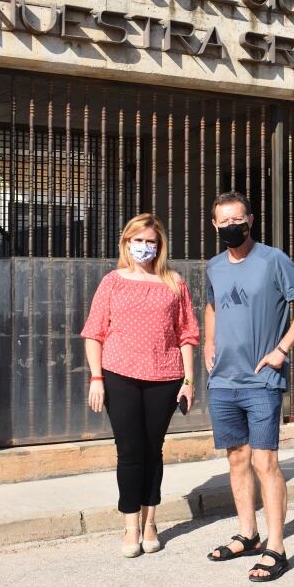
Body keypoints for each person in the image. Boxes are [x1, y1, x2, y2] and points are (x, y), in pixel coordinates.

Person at [203, 191, 294, 582]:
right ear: (214, 225)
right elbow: (212, 305)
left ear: (250, 220)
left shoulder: (273, 260)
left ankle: (277, 548)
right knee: (237, 459)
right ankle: (248, 535)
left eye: (238, 220)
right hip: (223, 380)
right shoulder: (214, 267)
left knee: (264, 462)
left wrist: (281, 349)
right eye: (224, 221)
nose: (231, 226)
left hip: (261, 380)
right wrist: (208, 342)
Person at [82, 213, 199, 558]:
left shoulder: (174, 283)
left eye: (150, 241)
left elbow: (187, 334)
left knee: (153, 450)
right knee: (130, 452)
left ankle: (151, 524)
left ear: (159, 246)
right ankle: (131, 526)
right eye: (138, 240)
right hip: (119, 376)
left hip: (165, 377)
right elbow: (94, 333)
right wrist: (96, 378)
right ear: (126, 243)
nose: (144, 247)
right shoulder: (112, 282)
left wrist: (189, 381)